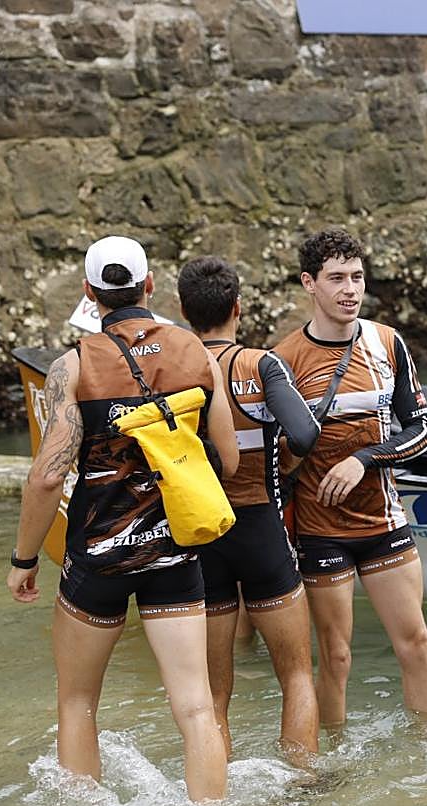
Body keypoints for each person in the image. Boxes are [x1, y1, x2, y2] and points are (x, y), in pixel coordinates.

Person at [6, 236, 238, 800]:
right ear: (150, 285)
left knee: (78, 702)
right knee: (196, 705)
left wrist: (24, 559)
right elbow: (228, 460)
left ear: (90, 293)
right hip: (175, 548)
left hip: (99, 556)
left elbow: (45, 477)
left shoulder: (75, 366)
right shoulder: (196, 353)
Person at [273, 229, 427, 726]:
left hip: (384, 522)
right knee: (337, 658)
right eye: (337, 278)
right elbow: (275, 459)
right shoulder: (283, 360)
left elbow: (422, 432)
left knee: (417, 643)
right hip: (321, 530)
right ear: (310, 284)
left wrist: (365, 458)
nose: (350, 289)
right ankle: (334, 764)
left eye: (357, 277)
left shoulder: (387, 342)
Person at [177, 256, 322, 762]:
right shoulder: (260, 363)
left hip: (201, 536)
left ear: (183, 310)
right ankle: (303, 782)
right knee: (298, 676)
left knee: (212, 696)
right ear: (238, 307)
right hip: (261, 528)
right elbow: (305, 432)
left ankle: (217, 798)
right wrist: (282, 466)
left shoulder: (174, 367)